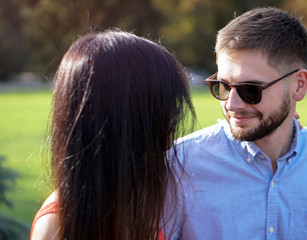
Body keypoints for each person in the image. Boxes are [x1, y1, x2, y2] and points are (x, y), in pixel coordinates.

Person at [164, 7, 307, 239]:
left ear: (298, 85)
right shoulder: (179, 163)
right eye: (224, 86)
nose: (232, 104)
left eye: (251, 89)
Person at [30, 30, 195, 240]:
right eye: (165, 104)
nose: (175, 114)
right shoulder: (57, 225)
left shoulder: (136, 200)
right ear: (127, 115)